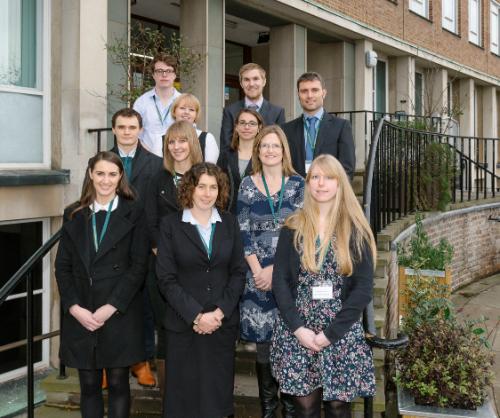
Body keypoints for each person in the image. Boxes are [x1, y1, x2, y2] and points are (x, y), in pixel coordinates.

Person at [270, 154, 377, 418]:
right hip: (298, 332)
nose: (320, 183)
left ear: (340, 183)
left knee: (339, 407)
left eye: (328, 177)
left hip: (339, 333)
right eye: (315, 177)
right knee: (304, 407)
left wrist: (330, 334)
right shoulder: (293, 227)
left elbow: (363, 288)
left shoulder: (355, 230)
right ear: (307, 184)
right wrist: (298, 330)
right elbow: (280, 282)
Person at [55, 151, 148, 418]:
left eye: (112, 174)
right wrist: (74, 307)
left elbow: (139, 266)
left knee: (119, 382)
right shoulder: (73, 213)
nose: (105, 180)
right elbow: (63, 266)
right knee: (89, 385)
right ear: (90, 175)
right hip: (82, 312)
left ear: (120, 178)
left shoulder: (134, 211)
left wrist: (112, 307)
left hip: (118, 311)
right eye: (100, 174)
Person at [156, 162, 246, 418]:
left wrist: (218, 314)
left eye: (213, 187)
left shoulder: (229, 223)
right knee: (182, 401)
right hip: (184, 326)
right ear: (189, 189)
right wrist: (196, 315)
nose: (207, 193)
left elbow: (238, 272)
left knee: (217, 401)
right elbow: (165, 278)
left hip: (221, 326)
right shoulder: (170, 225)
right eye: (201, 186)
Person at [237, 125, 304, 418]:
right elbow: (243, 231)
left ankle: (289, 409)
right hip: (257, 280)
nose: (270, 151)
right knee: (263, 347)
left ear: (284, 150)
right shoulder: (247, 185)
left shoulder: (298, 185)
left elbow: (304, 233)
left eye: (275, 146)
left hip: (289, 276)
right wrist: (258, 270)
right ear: (257, 150)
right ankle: (268, 409)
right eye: (265, 146)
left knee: (289, 342)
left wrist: (275, 271)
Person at [144, 120, 203, 396]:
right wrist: (165, 256)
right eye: (171, 142)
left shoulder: (207, 177)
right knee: (166, 332)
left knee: (198, 330)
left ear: (192, 142)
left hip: (201, 270)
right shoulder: (157, 179)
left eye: (182, 140)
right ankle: (171, 400)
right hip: (165, 270)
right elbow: (150, 223)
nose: (177, 147)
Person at [110, 108, 162, 388]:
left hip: (142, 243)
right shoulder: (101, 161)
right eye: (121, 127)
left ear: (140, 130)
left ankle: (142, 361)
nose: (127, 132)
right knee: (109, 300)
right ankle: (110, 361)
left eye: (132, 127)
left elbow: (157, 207)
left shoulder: (155, 164)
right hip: (110, 243)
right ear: (114, 130)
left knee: (143, 304)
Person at [281, 72, 355, 179]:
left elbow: (347, 169)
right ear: (298, 95)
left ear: (323, 93)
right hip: (297, 192)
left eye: (315, 90)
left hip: (328, 192)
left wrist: (330, 192)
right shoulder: (287, 129)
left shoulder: (341, 127)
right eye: (304, 91)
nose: (309, 95)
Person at [220, 63, 285, 152]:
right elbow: (226, 146)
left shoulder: (277, 112)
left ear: (264, 81)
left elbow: (281, 145)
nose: (251, 84)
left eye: (255, 79)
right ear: (241, 83)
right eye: (246, 80)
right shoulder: (230, 111)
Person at [217, 108, 264, 214]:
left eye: (252, 123)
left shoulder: (264, 156)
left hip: (256, 216)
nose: (247, 127)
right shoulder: (226, 154)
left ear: (259, 128)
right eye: (242, 123)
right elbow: (218, 184)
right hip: (227, 214)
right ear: (236, 127)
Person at [133, 54, 181, 157]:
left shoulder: (183, 102)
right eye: (159, 71)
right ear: (153, 75)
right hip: (147, 158)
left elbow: (190, 132)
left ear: (175, 75)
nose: (164, 75)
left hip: (177, 159)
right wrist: (150, 156)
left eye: (168, 71)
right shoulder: (141, 102)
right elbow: (135, 134)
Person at [171, 93, 219, 163]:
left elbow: (210, 170)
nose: (186, 112)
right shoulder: (163, 138)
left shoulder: (207, 138)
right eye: (182, 108)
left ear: (196, 115)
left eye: (191, 110)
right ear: (174, 111)